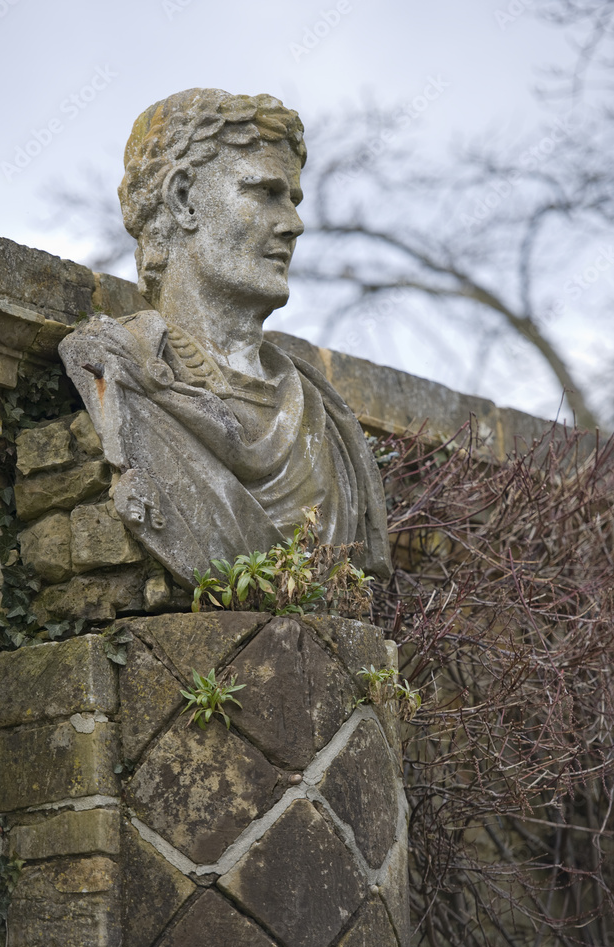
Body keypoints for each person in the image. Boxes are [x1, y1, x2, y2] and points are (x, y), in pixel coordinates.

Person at [60, 88, 391, 591]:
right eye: (264, 192)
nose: (294, 224)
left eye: (294, 200)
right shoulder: (119, 368)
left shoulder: (326, 420)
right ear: (183, 199)